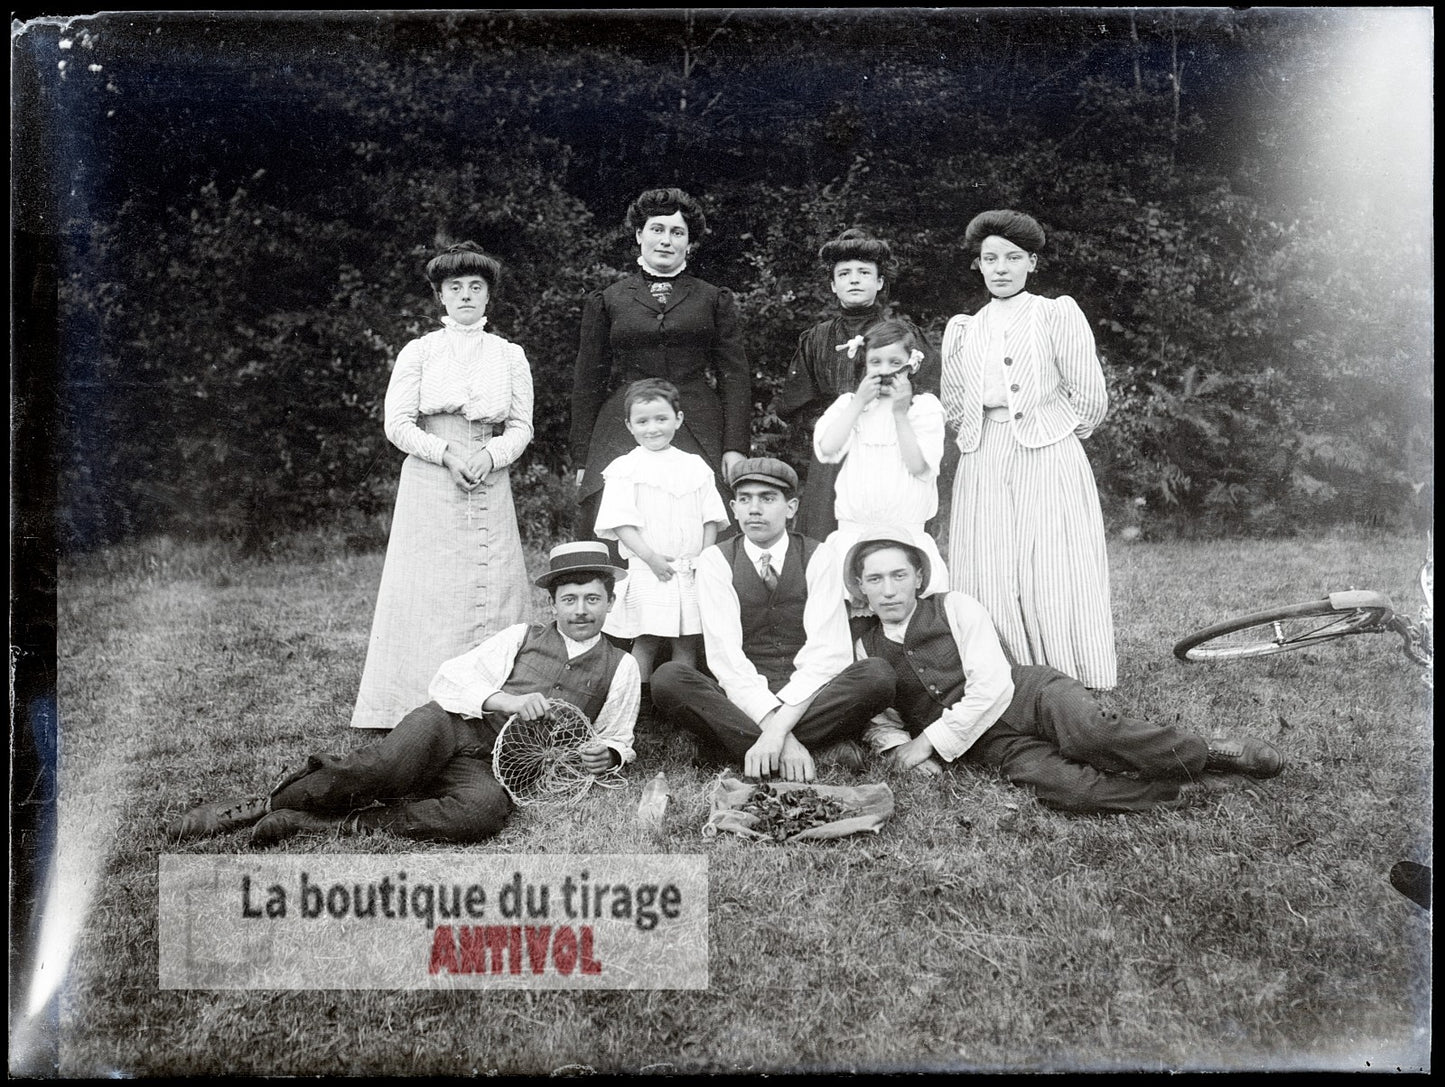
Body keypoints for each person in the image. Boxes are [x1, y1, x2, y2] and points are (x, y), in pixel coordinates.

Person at [168, 543, 639, 846]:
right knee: (382, 768)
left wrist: (610, 757)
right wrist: (506, 701)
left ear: (610, 602)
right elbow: (449, 681)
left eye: (592, 599)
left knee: (481, 814)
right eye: (570, 599)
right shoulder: (522, 636)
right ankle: (259, 806)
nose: (581, 610)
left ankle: (321, 825)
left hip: (493, 769)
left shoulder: (622, 667)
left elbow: (617, 735)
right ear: (552, 603)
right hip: (451, 728)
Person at [846, 527, 1285, 813]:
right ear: (861, 587)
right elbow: (881, 718)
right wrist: (897, 750)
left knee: (1092, 733)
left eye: (899, 576)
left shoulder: (955, 606)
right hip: (988, 743)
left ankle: (1206, 752)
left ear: (919, 577)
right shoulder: (865, 644)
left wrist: (930, 742)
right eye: (875, 579)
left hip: (1027, 695)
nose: (889, 590)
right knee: (1065, 789)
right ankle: (1186, 790)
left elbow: (992, 684)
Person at [350, 241, 535, 730]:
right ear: (440, 297)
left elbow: (521, 426)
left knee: (492, 584)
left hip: (489, 477)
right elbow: (398, 423)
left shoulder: (509, 355)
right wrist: (448, 454)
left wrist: (491, 455)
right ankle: (412, 704)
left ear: (489, 295)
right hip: (432, 477)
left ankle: (491, 701)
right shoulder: (421, 351)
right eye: (456, 287)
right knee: (428, 588)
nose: (467, 295)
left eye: (476, 287)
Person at [940, 209, 1116, 690]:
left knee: (1052, 560)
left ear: (1032, 263)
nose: (1000, 268)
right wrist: (980, 434)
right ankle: (1005, 675)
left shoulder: (1055, 313)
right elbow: (955, 402)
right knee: (990, 562)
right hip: (983, 454)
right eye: (989, 258)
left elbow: (1089, 393)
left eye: (1012, 258)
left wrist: (1058, 433)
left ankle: (1072, 673)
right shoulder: (963, 329)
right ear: (977, 264)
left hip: (1048, 450)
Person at [651, 458, 897, 782]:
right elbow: (726, 659)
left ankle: (735, 748)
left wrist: (777, 730)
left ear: (791, 507)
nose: (755, 509)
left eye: (767, 499)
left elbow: (829, 654)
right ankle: (816, 749)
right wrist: (783, 736)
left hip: (810, 696)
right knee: (668, 679)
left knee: (877, 675)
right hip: (740, 697)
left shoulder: (819, 555)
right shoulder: (716, 560)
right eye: (745, 499)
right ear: (733, 508)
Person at [570, 188, 751, 559]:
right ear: (639, 235)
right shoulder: (609, 299)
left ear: (689, 243)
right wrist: (582, 457)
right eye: (657, 229)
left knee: (709, 524)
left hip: (697, 422)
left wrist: (734, 447)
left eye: (677, 232)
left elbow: (735, 375)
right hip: (623, 426)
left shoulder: (712, 298)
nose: (666, 240)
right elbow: (588, 380)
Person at [774, 228, 940, 540]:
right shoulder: (816, 338)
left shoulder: (903, 336)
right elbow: (796, 404)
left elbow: (929, 389)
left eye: (864, 272)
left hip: (893, 453)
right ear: (833, 285)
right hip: (835, 453)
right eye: (844, 273)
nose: (854, 279)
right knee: (827, 546)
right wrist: (838, 426)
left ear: (879, 282)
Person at [594, 378, 730, 708]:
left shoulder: (694, 466)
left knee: (686, 639)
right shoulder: (626, 468)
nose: (652, 428)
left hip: (689, 567)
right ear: (629, 425)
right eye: (642, 421)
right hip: (649, 567)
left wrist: (704, 558)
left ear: (678, 419)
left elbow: (710, 517)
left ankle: (682, 703)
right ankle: (641, 707)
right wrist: (651, 557)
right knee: (647, 638)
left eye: (661, 419)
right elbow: (621, 523)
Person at [813, 318, 950, 600]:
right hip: (854, 535)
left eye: (894, 362)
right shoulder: (851, 404)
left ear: (911, 364)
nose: (885, 371)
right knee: (853, 619)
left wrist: (900, 414)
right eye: (876, 362)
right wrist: (858, 403)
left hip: (906, 536)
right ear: (864, 364)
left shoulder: (923, 408)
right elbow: (827, 448)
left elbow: (918, 466)